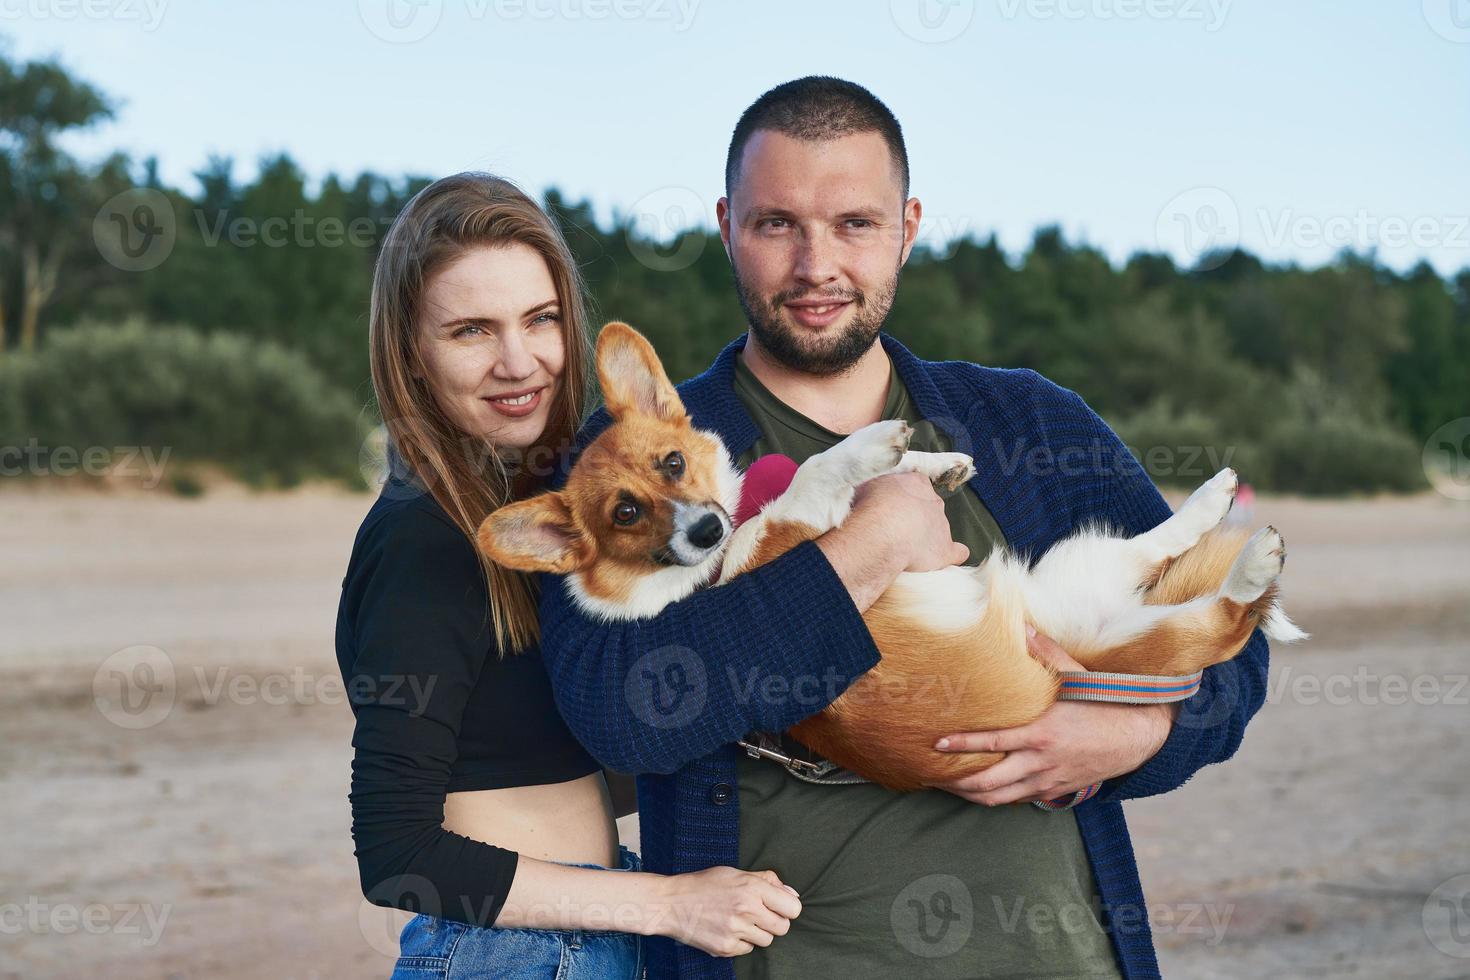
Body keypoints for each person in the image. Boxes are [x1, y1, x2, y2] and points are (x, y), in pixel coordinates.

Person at [537, 78, 1273, 979]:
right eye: (777, 224)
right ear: (727, 224)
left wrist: (1140, 733)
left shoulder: (1029, 422)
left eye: (854, 223)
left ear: (908, 226)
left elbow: (1239, 650)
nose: (816, 266)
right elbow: (618, 712)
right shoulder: (636, 461)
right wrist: (862, 551)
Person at [334, 172, 802, 980]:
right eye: (472, 330)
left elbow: (558, 763)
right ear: (412, 353)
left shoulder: (554, 513)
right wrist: (665, 903)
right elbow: (395, 850)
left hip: (570, 934)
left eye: (540, 319)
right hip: (517, 952)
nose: (520, 362)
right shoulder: (426, 538)